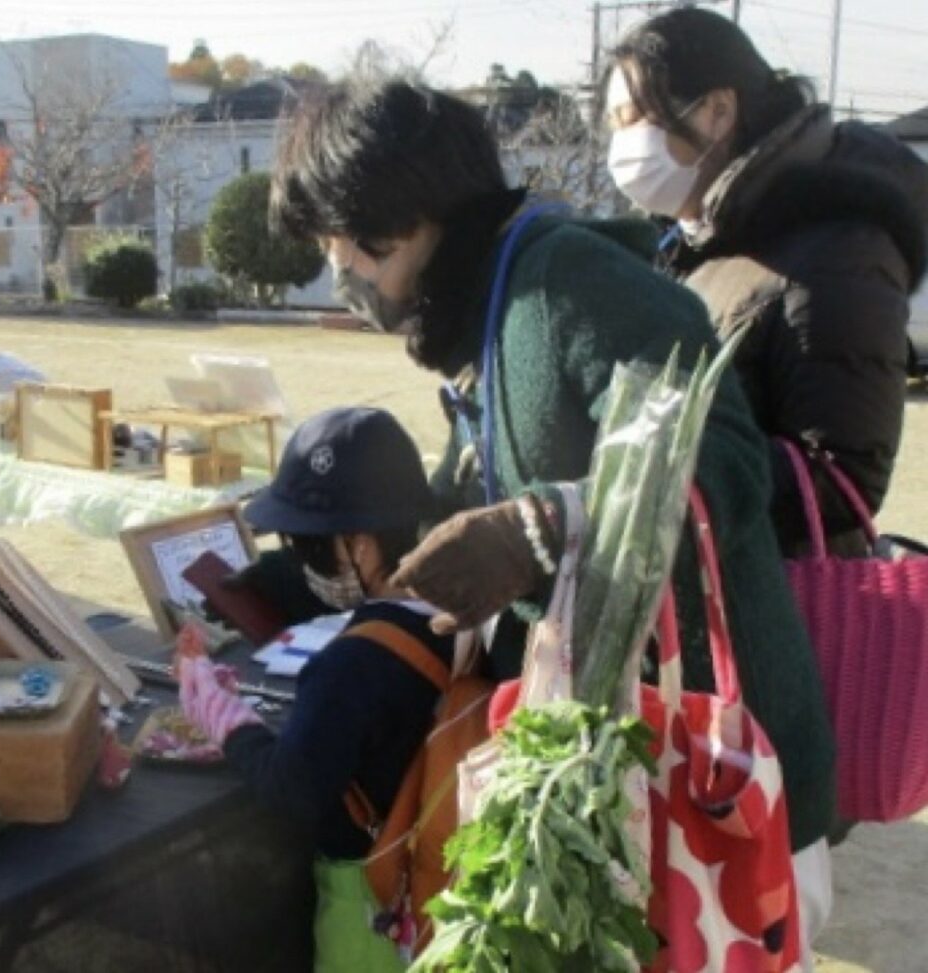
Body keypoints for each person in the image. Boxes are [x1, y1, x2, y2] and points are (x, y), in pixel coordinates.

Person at [266, 76, 836, 953]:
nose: (337, 266)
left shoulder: (569, 280)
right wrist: (308, 563)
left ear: (397, 212)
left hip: (714, 779)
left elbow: (720, 459)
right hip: (613, 776)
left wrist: (535, 529)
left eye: (337, 239)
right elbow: (465, 505)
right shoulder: (484, 321)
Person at [608, 7, 927, 558]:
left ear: (718, 111)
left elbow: (842, 478)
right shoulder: (704, 241)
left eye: (636, 118)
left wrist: (660, 474)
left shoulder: (838, 250)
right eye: (613, 125)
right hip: (705, 573)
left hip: (776, 593)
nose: (622, 145)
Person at [178, 407, 461, 972]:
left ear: (361, 546)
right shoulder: (459, 612)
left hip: (375, 911)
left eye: (308, 547)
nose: (302, 562)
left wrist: (222, 716)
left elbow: (292, 789)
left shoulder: (351, 664)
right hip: (442, 887)